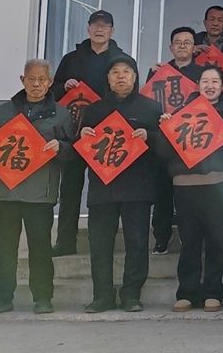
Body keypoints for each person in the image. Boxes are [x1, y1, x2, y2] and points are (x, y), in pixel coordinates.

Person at [0, 60, 74, 317]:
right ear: (22, 80)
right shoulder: (4, 111)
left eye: (42, 80)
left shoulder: (61, 114)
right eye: (31, 79)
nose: (36, 84)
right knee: (5, 247)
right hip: (5, 191)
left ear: (50, 83)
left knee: (40, 246)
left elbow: (73, 151)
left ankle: (42, 298)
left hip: (40, 192)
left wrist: (61, 147)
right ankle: (0, 298)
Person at [79, 55, 162, 313]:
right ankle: (102, 296)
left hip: (137, 187)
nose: (121, 76)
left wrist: (150, 136)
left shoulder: (151, 108)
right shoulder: (93, 111)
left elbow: (165, 147)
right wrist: (82, 136)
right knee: (100, 246)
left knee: (137, 244)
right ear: (108, 78)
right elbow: (79, 149)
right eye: (115, 72)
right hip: (102, 188)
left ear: (135, 77)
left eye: (126, 71)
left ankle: (131, 295)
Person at [155, 66, 223, 313]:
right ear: (198, 85)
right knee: (189, 241)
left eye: (215, 81)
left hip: (219, 184)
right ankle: (187, 292)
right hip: (185, 186)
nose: (210, 86)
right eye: (205, 81)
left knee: (217, 240)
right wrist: (165, 130)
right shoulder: (181, 112)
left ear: (222, 86)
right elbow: (163, 153)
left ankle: (214, 292)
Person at [51, 9, 124, 257]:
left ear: (112, 30)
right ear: (88, 29)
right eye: (96, 25)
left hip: (106, 134)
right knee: (69, 189)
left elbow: (129, 92)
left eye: (105, 25)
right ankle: (65, 242)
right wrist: (64, 85)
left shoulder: (121, 59)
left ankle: (101, 243)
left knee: (103, 191)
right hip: (73, 132)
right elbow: (53, 92)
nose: (100, 29)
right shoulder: (71, 59)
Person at [145, 26, 204, 255]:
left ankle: (190, 237)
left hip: (191, 139)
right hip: (163, 140)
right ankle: (161, 236)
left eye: (187, 42)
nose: (182, 46)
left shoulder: (202, 74)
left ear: (194, 47)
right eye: (177, 42)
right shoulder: (159, 72)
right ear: (170, 47)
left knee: (189, 194)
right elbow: (148, 103)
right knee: (161, 191)